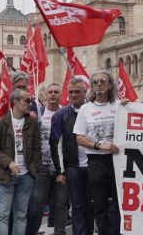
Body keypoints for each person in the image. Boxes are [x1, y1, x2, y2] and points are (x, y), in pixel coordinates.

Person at [74, 72, 121, 235]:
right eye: (95, 82)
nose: (99, 84)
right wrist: (100, 146)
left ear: (110, 85)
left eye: (103, 81)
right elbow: (79, 139)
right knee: (99, 206)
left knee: (118, 204)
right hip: (96, 162)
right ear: (92, 87)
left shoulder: (120, 106)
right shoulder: (85, 109)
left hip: (118, 162)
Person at [0, 89, 40, 235]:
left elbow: (37, 149)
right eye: (27, 100)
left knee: (21, 215)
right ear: (16, 102)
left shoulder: (33, 123)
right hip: (5, 176)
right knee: (3, 215)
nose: (30, 104)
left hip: (26, 176)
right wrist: (9, 163)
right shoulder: (1, 122)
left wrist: (33, 170)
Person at [50, 78, 93, 235]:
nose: (73, 95)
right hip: (72, 167)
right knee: (77, 205)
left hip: (92, 165)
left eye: (77, 92)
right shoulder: (60, 116)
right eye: (71, 92)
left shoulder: (93, 111)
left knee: (91, 204)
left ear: (85, 92)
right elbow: (55, 145)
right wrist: (60, 171)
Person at [26, 83, 68, 235]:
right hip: (42, 165)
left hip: (61, 167)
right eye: (50, 92)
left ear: (61, 95)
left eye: (56, 92)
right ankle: (32, 232)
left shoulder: (66, 113)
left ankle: (60, 232)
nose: (53, 94)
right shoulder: (39, 113)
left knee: (61, 203)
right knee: (37, 203)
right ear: (46, 95)